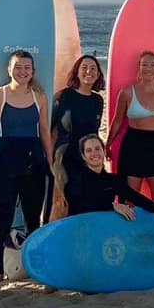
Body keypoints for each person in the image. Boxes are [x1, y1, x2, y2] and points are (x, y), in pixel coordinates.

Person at [0, 50, 53, 271]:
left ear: (33, 71)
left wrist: (49, 159)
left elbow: (45, 131)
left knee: (32, 220)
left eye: (27, 67)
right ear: (9, 70)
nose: (22, 71)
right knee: (2, 218)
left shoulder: (40, 96)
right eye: (18, 67)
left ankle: (34, 268)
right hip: (6, 160)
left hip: (33, 160)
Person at [107, 49, 154, 206]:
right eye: (145, 64)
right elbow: (118, 121)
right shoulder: (127, 92)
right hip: (133, 149)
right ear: (139, 67)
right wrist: (107, 144)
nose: (149, 68)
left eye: (153, 65)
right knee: (129, 203)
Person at [65, 134, 154, 226]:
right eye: (89, 151)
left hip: (102, 227)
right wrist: (112, 206)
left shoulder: (113, 180)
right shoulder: (77, 179)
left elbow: (134, 196)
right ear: (83, 156)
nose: (94, 153)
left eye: (98, 149)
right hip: (81, 228)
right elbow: (79, 205)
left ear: (104, 151)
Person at [48, 54, 105, 219]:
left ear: (98, 74)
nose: (89, 71)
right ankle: (53, 241)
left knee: (89, 202)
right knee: (63, 202)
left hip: (88, 157)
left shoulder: (97, 100)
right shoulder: (63, 96)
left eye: (93, 68)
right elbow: (49, 130)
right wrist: (50, 160)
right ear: (77, 72)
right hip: (64, 156)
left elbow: (95, 132)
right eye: (84, 68)